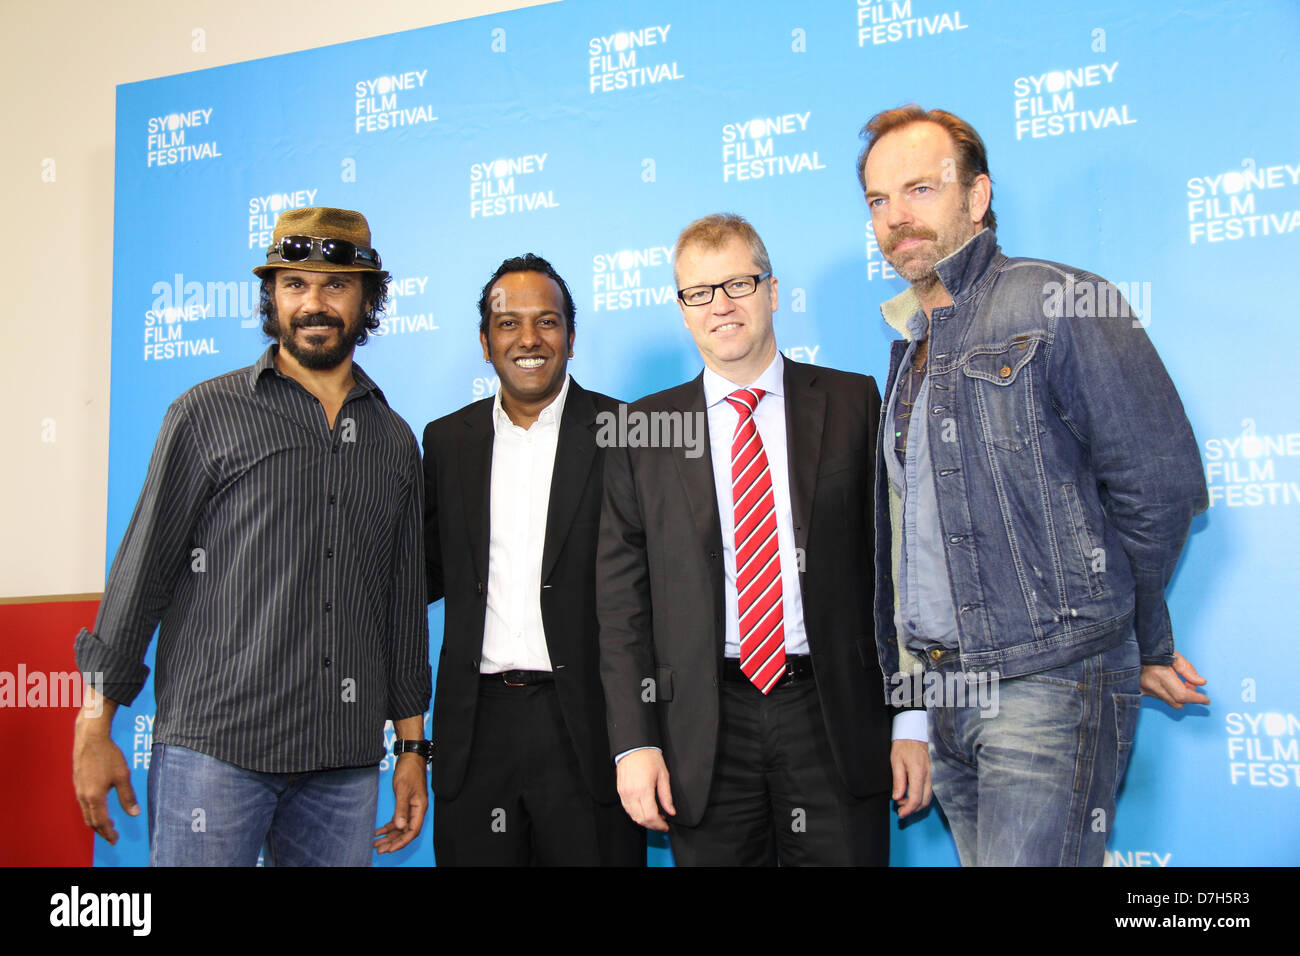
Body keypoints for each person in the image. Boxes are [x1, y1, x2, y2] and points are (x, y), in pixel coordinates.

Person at [857, 105, 1209, 866]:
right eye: (878, 201)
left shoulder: (1059, 300)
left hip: (1046, 684)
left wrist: (1130, 630)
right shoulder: (910, 351)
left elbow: (1160, 486)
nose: (895, 218)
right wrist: (915, 705)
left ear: (977, 197)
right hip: (947, 696)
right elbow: (911, 545)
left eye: (919, 189)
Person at [72, 206, 431, 866]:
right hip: (216, 750)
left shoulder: (394, 441)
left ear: (368, 299)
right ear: (271, 296)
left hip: (343, 764)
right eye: (295, 284)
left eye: (336, 285)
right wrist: (94, 723)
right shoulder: (206, 414)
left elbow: (401, 610)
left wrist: (412, 750)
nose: (314, 304)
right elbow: (140, 575)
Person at [597, 213, 929, 866]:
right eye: (700, 292)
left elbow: (903, 567)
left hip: (834, 716)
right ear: (683, 310)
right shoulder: (642, 431)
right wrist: (635, 745)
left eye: (739, 284)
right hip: (702, 727)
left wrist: (913, 717)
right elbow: (620, 605)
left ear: (772, 292)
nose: (721, 305)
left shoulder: (854, 402)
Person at [422, 254, 644, 865]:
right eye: (507, 323)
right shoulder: (445, 441)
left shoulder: (624, 431)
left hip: (590, 731)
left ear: (572, 339)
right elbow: (423, 572)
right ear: (484, 342)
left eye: (546, 322)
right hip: (475, 733)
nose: (528, 339)